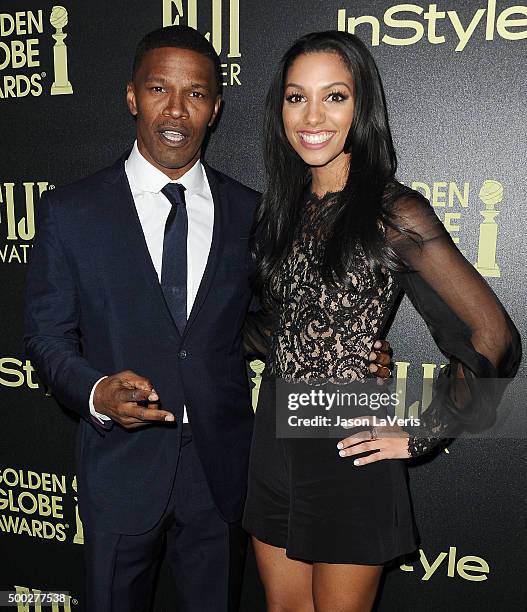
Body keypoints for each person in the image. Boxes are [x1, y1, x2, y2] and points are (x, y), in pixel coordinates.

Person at [24, 26, 392, 612]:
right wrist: (95, 391)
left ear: (216, 108)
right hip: (120, 470)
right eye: (158, 89)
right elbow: (46, 335)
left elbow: (265, 322)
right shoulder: (71, 211)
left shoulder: (252, 212)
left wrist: (349, 354)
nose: (176, 109)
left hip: (225, 471)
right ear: (130, 97)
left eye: (195, 94)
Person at [242, 31, 521, 612]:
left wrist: (420, 432)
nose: (312, 116)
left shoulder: (394, 211)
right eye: (296, 97)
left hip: (346, 435)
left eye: (334, 96)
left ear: (361, 106)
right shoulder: (278, 211)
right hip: (273, 430)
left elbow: (494, 337)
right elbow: (269, 328)